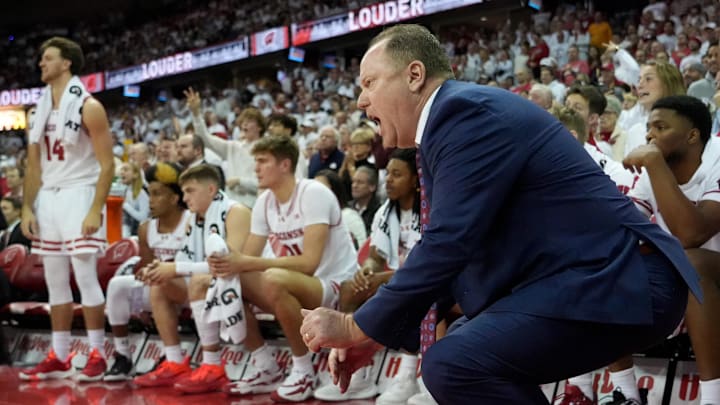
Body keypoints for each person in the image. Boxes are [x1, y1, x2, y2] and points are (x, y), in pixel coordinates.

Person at [300, 24, 701, 404]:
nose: (360, 100)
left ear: (414, 74)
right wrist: (374, 334)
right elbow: (454, 258)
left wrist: (357, 326)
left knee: (455, 362)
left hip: (625, 279)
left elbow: (448, 244)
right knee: (461, 347)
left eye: (369, 82)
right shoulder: (452, 123)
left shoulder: (462, 115)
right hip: (598, 278)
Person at [207, 135, 356, 402]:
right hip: (298, 284)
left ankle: (304, 370)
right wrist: (224, 262)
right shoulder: (265, 201)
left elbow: (309, 263)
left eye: (263, 161)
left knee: (273, 279)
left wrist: (246, 262)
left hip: (335, 285)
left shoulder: (314, 193)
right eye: (256, 161)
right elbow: (246, 257)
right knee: (228, 278)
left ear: (285, 165)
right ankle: (265, 365)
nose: (255, 168)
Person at [19, 37, 115, 382]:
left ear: (66, 64)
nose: (41, 64)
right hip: (49, 197)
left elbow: (108, 165)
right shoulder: (38, 109)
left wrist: (94, 209)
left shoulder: (89, 106)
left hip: (79, 193)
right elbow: (33, 167)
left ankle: (99, 354)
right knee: (54, 281)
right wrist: (27, 208)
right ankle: (59, 355)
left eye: (48, 59)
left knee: (86, 277)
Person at [623, 96, 720, 405]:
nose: (650, 136)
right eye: (648, 128)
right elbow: (622, 223)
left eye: (661, 127)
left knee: (690, 262)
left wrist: (653, 163)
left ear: (692, 135)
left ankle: (712, 398)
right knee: (609, 260)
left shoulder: (717, 157)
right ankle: (623, 394)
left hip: (708, 267)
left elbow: (693, 233)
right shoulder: (655, 170)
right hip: (689, 276)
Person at [132, 164, 251, 393]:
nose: (184, 198)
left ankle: (213, 366)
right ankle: (174, 361)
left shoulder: (236, 212)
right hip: (215, 282)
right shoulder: (194, 218)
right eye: (184, 192)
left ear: (210, 189)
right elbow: (184, 257)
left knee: (197, 280)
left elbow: (230, 264)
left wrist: (175, 268)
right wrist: (159, 268)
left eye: (189, 191)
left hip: (244, 280)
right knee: (160, 282)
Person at [103, 162, 190, 381]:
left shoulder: (191, 222)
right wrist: (145, 272)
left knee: (161, 282)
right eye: (149, 194)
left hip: (189, 288)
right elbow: (146, 266)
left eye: (157, 194)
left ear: (174, 198)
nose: (150, 201)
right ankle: (123, 355)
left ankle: (172, 356)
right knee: (118, 285)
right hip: (160, 289)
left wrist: (163, 270)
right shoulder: (146, 228)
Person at [119, 162, 149, 237]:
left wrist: (125, 206)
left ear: (135, 175)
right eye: (121, 170)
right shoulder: (126, 191)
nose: (122, 172)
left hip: (139, 235)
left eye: (125, 170)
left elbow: (143, 218)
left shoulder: (141, 193)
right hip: (128, 234)